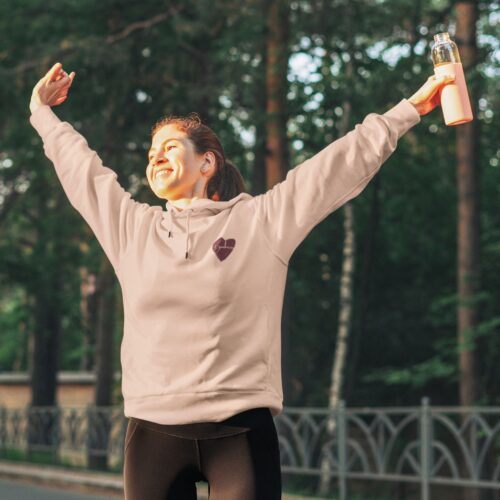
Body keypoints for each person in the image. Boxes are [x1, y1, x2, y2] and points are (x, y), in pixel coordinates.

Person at [29, 62, 455, 499]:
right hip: (152, 433)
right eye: (151, 150)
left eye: (170, 146)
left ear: (206, 162)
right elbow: (83, 170)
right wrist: (41, 111)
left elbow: (335, 168)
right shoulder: (131, 229)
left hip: (239, 433)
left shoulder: (260, 223)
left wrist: (411, 108)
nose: (155, 156)